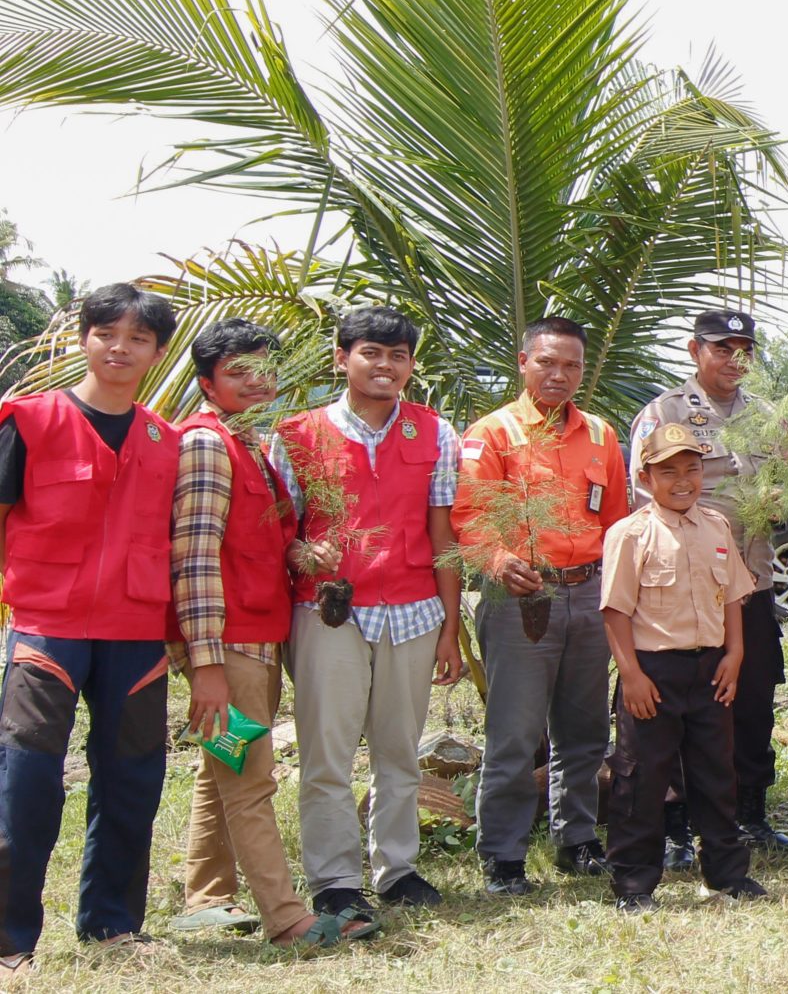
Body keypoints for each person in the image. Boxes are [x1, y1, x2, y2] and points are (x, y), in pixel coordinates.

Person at [0, 285, 184, 968]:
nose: (121, 349)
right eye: (108, 333)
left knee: (133, 780)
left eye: (138, 339)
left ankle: (113, 927)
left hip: (136, 633)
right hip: (46, 630)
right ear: (84, 337)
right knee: (25, 783)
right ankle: (10, 941)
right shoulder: (29, 421)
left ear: (157, 352)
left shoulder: (168, 441)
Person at [271, 304, 465, 924]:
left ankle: (398, 868)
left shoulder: (435, 433)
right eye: (371, 353)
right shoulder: (296, 435)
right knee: (326, 753)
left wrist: (450, 630)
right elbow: (278, 533)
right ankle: (333, 879)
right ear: (342, 357)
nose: (385, 365)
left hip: (413, 612)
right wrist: (305, 551)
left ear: (410, 364)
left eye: (398, 355)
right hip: (329, 614)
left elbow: (445, 539)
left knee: (399, 750)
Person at [167, 319, 353, 947]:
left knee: (220, 769)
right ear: (206, 382)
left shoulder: (248, 442)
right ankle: (286, 918)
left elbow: (247, 544)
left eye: (261, 369)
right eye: (236, 371)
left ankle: (207, 897)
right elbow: (193, 556)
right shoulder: (206, 446)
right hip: (229, 644)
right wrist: (205, 662)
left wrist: (302, 553)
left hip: (257, 637)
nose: (254, 381)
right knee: (250, 779)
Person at [457, 316, 633, 894]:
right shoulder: (494, 433)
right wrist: (501, 560)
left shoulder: (603, 436)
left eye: (572, 365)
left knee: (583, 731)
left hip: (588, 594)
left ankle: (576, 840)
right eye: (548, 362)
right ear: (523, 362)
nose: (559, 375)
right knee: (514, 732)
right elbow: (470, 517)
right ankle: (503, 856)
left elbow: (614, 523)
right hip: (519, 598)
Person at [627, 309, 788, 858]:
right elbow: (641, 501)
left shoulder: (769, 416)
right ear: (693, 350)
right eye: (722, 347)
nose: (734, 359)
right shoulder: (665, 413)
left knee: (751, 700)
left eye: (744, 349)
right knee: (679, 703)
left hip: (749, 582)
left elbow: (785, 493)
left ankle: (749, 814)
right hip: (682, 590)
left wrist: (777, 504)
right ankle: (674, 824)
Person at [598, 424, 764, 911]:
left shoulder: (716, 525)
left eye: (692, 468)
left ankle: (727, 874)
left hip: (710, 669)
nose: (683, 480)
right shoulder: (630, 534)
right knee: (642, 777)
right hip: (653, 672)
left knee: (716, 774)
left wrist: (734, 654)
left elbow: (734, 595)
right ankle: (633, 883)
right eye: (668, 471)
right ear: (646, 478)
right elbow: (615, 611)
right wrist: (630, 675)